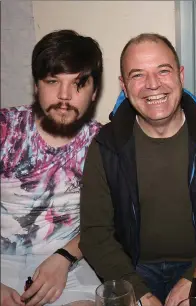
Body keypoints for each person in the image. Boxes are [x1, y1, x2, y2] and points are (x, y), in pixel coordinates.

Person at [79, 33, 196, 306]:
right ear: (124, 85)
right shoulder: (106, 147)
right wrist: (138, 292)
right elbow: (95, 234)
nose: (153, 84)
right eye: (137, 75)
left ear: (180, 75)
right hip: (132, 270)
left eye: (163, 71)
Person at [1, 30, 103, 306]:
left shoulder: (104, 144)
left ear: (94, 92)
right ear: (37, 86)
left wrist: (65, 258)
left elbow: (108, 222)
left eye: (78, 84)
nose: (64, 95)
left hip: (69, 260)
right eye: (52, 81)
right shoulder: (5, 129)